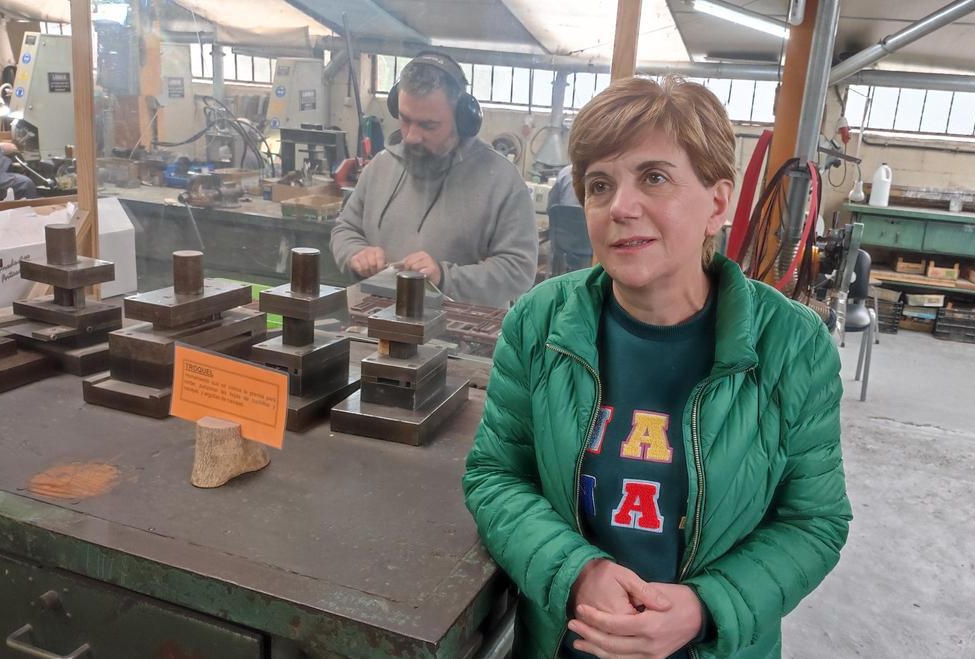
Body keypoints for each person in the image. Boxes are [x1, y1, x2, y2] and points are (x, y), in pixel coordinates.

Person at [463, 76, 850, 658]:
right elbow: (495, 475)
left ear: (717, 203)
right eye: (600, 185)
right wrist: (577, 573)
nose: (620, 207)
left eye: (654, 177)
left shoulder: (792, 346)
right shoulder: (539, 323)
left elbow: (814, 522)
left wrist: (704, 608)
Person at [330, 51, 537, 307]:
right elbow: (345, 229)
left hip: (460, 336)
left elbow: (519, 270)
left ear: (463, 120)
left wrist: (444, 276)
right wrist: (355, 254)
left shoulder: (501, 180)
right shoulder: (381, 167)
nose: (412, 136)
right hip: (372, 326)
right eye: (405, 120)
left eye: (428, 125)